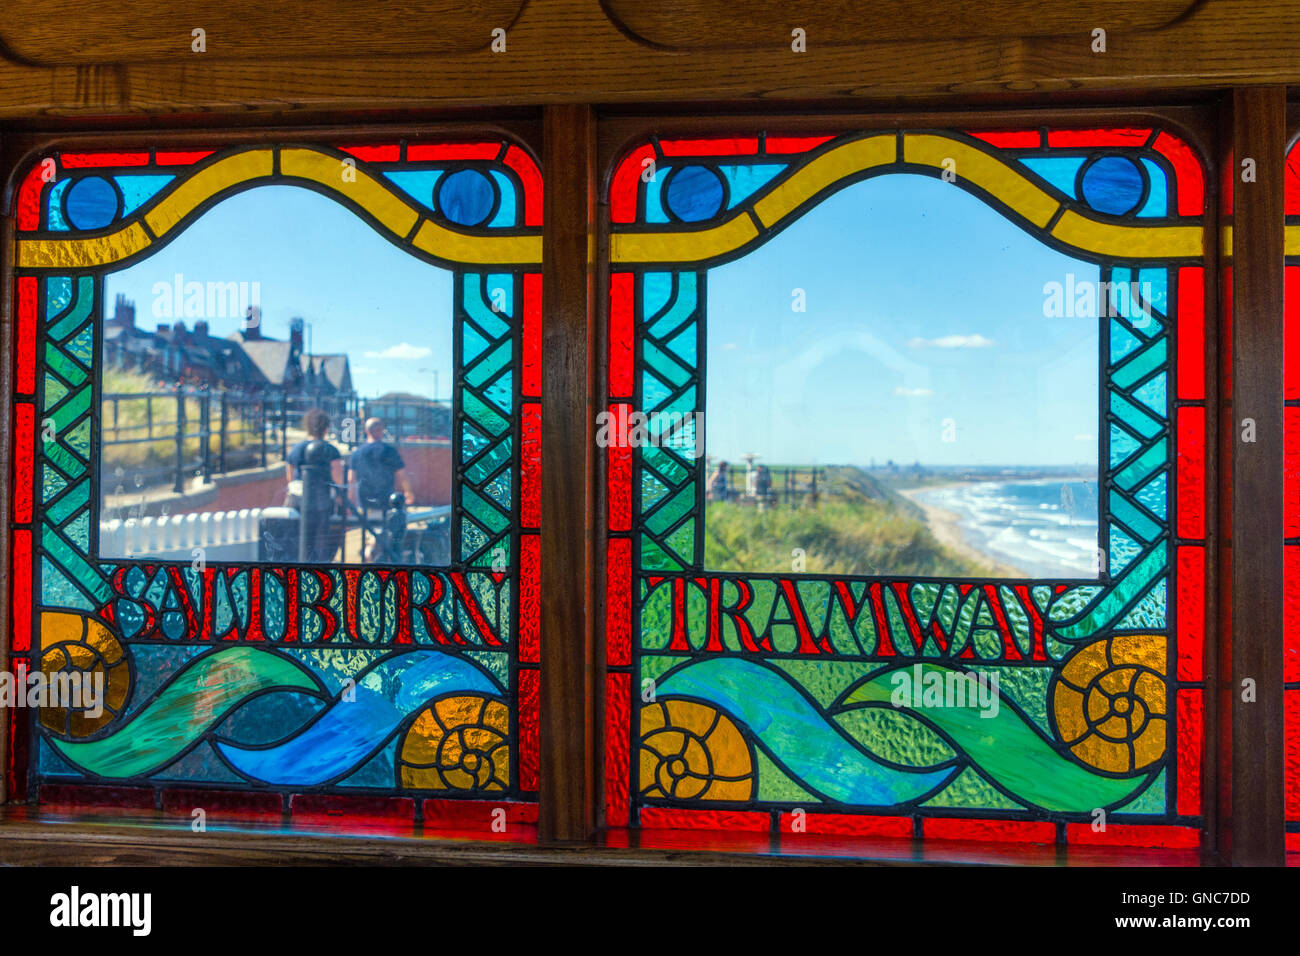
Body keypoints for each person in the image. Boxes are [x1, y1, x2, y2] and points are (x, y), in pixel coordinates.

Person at [349, 417, 413, 560]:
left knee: (369, 531)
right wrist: (409, 492)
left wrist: (350, 499)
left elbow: (351, 479)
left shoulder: (357, 453)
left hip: (364, 501)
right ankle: (372, 557)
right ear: (381, 431)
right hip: (385, 500)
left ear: (366, 431)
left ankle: (370, 556)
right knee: (381, 532)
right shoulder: (389, 451)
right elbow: (401, 474)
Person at [284, 408, 342, 561]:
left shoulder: (295, 449)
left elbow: (290, 477)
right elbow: (339, 479)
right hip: (322, 501)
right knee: (320, 540)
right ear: (326, 428)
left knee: (299, 538)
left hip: (297, 499)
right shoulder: (330, 450)